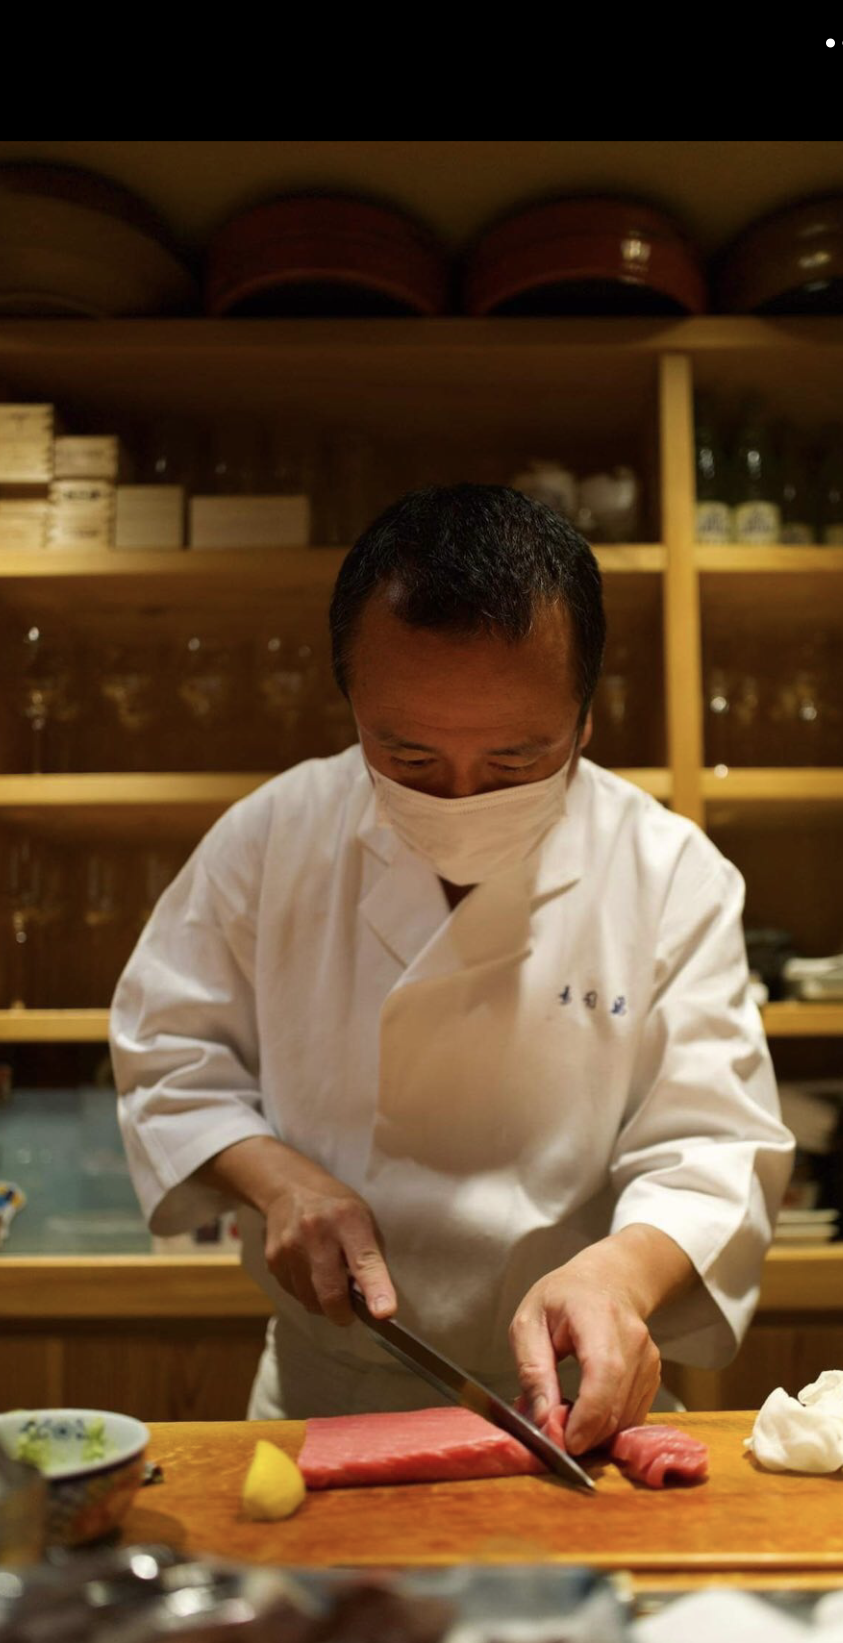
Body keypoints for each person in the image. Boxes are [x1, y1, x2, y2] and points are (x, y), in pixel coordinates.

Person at [110, 485, 794, 1456]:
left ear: (588, 719)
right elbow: (167, 1053)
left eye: (517, 761)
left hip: (573, 1410)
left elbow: (714, 1146)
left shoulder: (667, 873)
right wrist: (275, 1181)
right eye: (411, 758)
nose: (463, 801)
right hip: (325, 1399)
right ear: (351, 701)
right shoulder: (273, 841)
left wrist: (621, 1279)